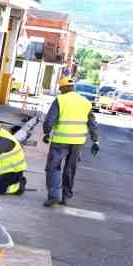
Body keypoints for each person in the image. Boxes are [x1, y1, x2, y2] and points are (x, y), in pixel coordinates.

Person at [43, 77, 100, 207]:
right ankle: (66, 197)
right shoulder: (85, 102)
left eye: (60, 89)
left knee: (53, 168)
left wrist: (46, 133)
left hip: (60, 141)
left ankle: (54, 196)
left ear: (62, 88)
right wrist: (95, 140)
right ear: (73, 88)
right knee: (70, 169)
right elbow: (92, 123)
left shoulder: (60, 100)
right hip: (78, 142)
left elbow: (49, 120)